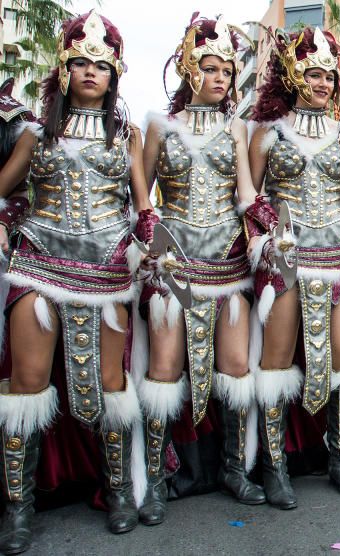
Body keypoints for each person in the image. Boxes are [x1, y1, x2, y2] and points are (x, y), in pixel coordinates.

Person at [0, 11, 154, 547]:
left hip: (107, 271)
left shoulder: (127, 137)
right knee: (26, 385)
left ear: (114, 76)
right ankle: (19, 508)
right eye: (81, 62)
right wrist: (4, 221)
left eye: (101, 65)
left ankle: (116, 491)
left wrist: (154, 248)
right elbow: (3, 190)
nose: (92, 71)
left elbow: (143, 208)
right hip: (39, 261)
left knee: (111, 387)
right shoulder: (36, 134)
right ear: (64, 71)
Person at [247, 26, 340, 501]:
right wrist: (270, 238)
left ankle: (339, 459)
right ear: (292, 74)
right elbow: (251, 197)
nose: (323, 83)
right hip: (287, 262)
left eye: (329, 75)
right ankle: (273, 465)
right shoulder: (267, 133)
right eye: (312, 73)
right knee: (277, 363)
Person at [139, 15, 261, 521]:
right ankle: (157, 478)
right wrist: (149, 240)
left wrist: (269, 229)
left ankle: (234, 468)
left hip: (228, 260)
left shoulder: (238, 127)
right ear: (190, 70)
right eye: (210, 69)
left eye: (227, 72)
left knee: (234, 368)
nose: (220, 79)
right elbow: (141, 197)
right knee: (165, 369)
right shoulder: (158, 126)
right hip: (175, 258)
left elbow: (247, 193)